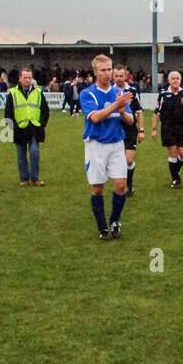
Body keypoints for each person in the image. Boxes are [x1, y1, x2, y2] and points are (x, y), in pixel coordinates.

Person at [79, 55, 134, 241]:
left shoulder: (119, 92)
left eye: (109, 69)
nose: (107, 73)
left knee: (120, 185)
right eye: (102, 70)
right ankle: (102, 227)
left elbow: (130, 119)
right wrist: (117, 106)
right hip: (96, 146)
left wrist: (122, 112)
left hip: (117, 144)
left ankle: (115, 221)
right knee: (97, 188)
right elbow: (95, 118)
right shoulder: (87, 93)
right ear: (95, 72)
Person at [3, 67, 50, 187]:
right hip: (19, 128)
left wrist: (41, 124)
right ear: (20, 78)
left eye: (29, 77)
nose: (28, 80)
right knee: (21, 156)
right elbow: (8, 113)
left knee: (35, 153)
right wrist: (9, 131)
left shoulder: (38, 92)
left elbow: (45, 110)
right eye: (25, 77)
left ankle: (35, 178)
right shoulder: (12, 93)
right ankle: (24, 179)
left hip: (35, 128)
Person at [152, 70, 183, 188]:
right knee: (173, 151)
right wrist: (154, 128)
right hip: (168, 127)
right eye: (173, 78)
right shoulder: (163, 94)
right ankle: (175, 179)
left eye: (177, 78)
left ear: (180, 80)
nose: (175, 80)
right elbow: (156, 113)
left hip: (182, 127)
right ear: (169, 81)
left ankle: (175, 171)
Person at [114, 65, 144, 196]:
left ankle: (129, 181)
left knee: (129, 160)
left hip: (130, 129)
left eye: (121, 76)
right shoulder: (109, 91)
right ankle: (122, 184)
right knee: (118, 161)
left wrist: (141, 130)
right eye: (116, 76)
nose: (119, 78)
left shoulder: (132, 91)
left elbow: (139, 112)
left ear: (126, 76)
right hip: (114, 130)